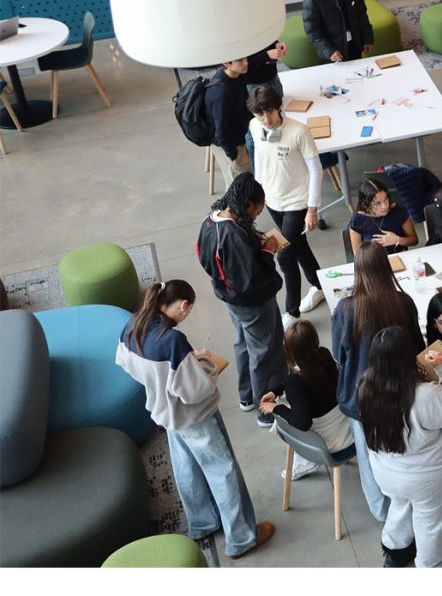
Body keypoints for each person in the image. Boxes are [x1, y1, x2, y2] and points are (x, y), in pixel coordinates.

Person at [115, 280, 275, 558]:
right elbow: (197, 392)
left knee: (186, 467)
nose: (187, 316)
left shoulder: (133, 325)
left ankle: (203, 522)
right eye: (188, 310)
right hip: (195, 417)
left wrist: (183, 366)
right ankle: (241, 538)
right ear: (183, 305)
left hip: (165, 414)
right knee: (223, 471)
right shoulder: (172, 341)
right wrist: (205, 364)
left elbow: (127, 363)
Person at [358, 326, 442, 568]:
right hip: (427, 476)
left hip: (385, 470)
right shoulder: (425, 395)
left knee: (399, 507)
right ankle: (430, 567)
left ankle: (395, 553)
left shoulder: (365, 386)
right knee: (430, 523)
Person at [332, 242, 423, 525]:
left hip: (361, 398)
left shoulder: (347, 308)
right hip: (401, 390)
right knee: (405, 446)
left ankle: (382, 510)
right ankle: (410, 500)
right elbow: (418, 347)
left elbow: (338, 354)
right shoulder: (403, 302)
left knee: (368, 453)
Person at [195, 172, 286, 427]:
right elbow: (250, 280)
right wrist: (268, 252)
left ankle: (246, 397)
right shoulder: (233, 236)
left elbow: (208, 258)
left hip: (229, 300)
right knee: (264, 352)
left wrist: (253, 240)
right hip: (252, 304)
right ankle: (265, 409)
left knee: (243, 344)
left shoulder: (210, 221)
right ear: (247, 205)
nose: (258, 214)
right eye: (257, 210)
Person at [247, 85, 325, 323]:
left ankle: (292, 311)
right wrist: (258, 197)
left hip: (297, 202)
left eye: (269, 112)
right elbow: (259, 161)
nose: (265, 119)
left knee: (285, 254)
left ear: (278, 107)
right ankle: (319, 285)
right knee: (299, 246)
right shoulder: (254, 126)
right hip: (273, 200)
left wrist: (312, 209)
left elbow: (316, 170)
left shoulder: (299, 131)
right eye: (260, 115)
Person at [259, 319, 354, 480]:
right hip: (349, 433)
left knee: (281, 423)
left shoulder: (294, 383)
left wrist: (275, 408)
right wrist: (276, 390)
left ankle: (305, 462)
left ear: (289, 350)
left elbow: (302, 423)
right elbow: (296, 377)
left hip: (327, 447)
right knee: (278, 384)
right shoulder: (324, 356)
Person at [205, 56, 253, 189]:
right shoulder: (221, 92)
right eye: (240, 61)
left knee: (246, 180)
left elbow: (245, 105)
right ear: (226, 63)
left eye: (245, 58)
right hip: (230, 145)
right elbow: (221, 133)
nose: (246, 63)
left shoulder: (238, 75)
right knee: (239, 187)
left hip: (240, 137)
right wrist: (233, 156)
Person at [348, 177, 419, 255]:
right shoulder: (357, 220)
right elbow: (358, 255)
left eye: (385, 199)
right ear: (366, 204)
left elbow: (414, 240)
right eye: (378, 203)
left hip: (400, 257)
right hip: (373, 262)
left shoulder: (397, 211)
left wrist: (397, 240)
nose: (384, 206)